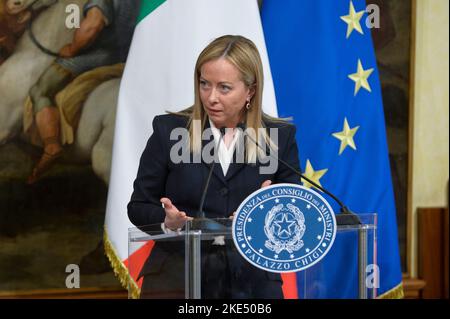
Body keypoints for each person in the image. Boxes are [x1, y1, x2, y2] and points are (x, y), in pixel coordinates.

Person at [127, 35, 301, 299]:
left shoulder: (278, 137)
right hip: (177, 279)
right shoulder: (170, 130)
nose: (211, 98)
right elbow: (138, 206)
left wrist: (264, 213)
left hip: (251, 285)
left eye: (224, 88)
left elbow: (295, 212)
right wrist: (167, 221)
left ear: (250, 91)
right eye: (204, 84)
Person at [27, 0, 140, 184]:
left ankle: (51, 145)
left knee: (40, 90)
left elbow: (92, 26)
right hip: (127, 59)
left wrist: (72, 48)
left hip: (97, 57)